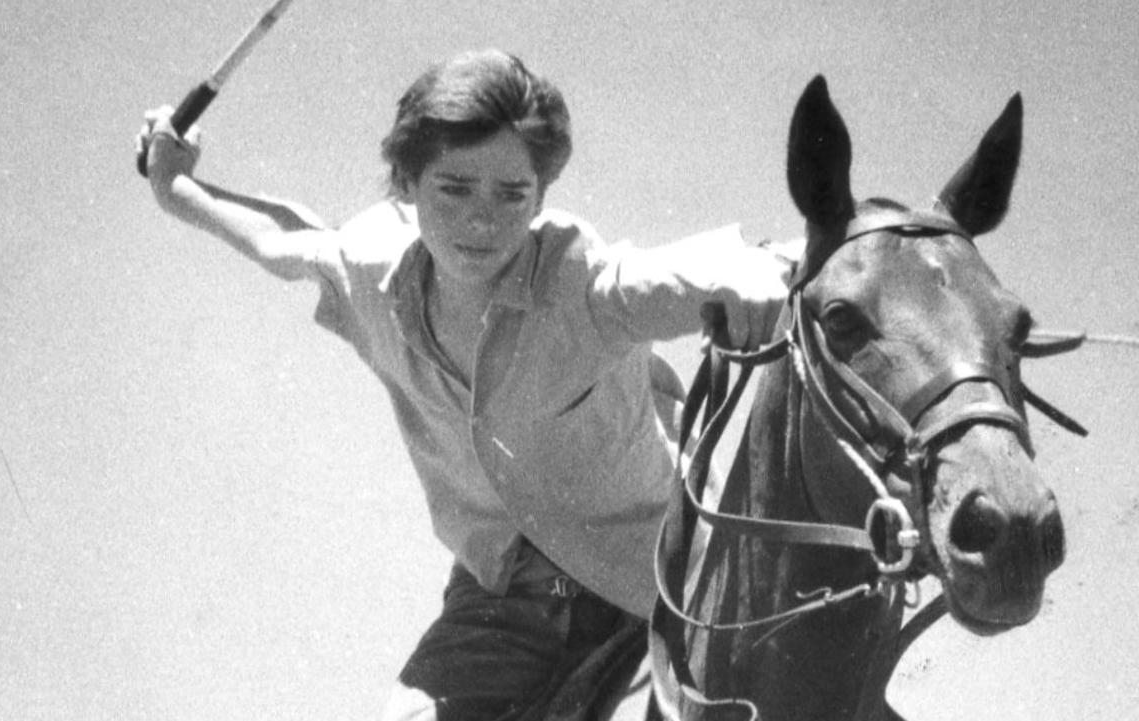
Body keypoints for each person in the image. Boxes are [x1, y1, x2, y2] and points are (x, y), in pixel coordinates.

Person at [138, 49, 789, 721]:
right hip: (501, 599)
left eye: (513, 195)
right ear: (406, 183)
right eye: (454, 188)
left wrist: (763, 274)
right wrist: (175, 188)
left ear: (540, 197)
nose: (483, 220)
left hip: (673, 579)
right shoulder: (370, 274)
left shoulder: (582, 285)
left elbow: (684, 271)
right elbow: (289, 244)